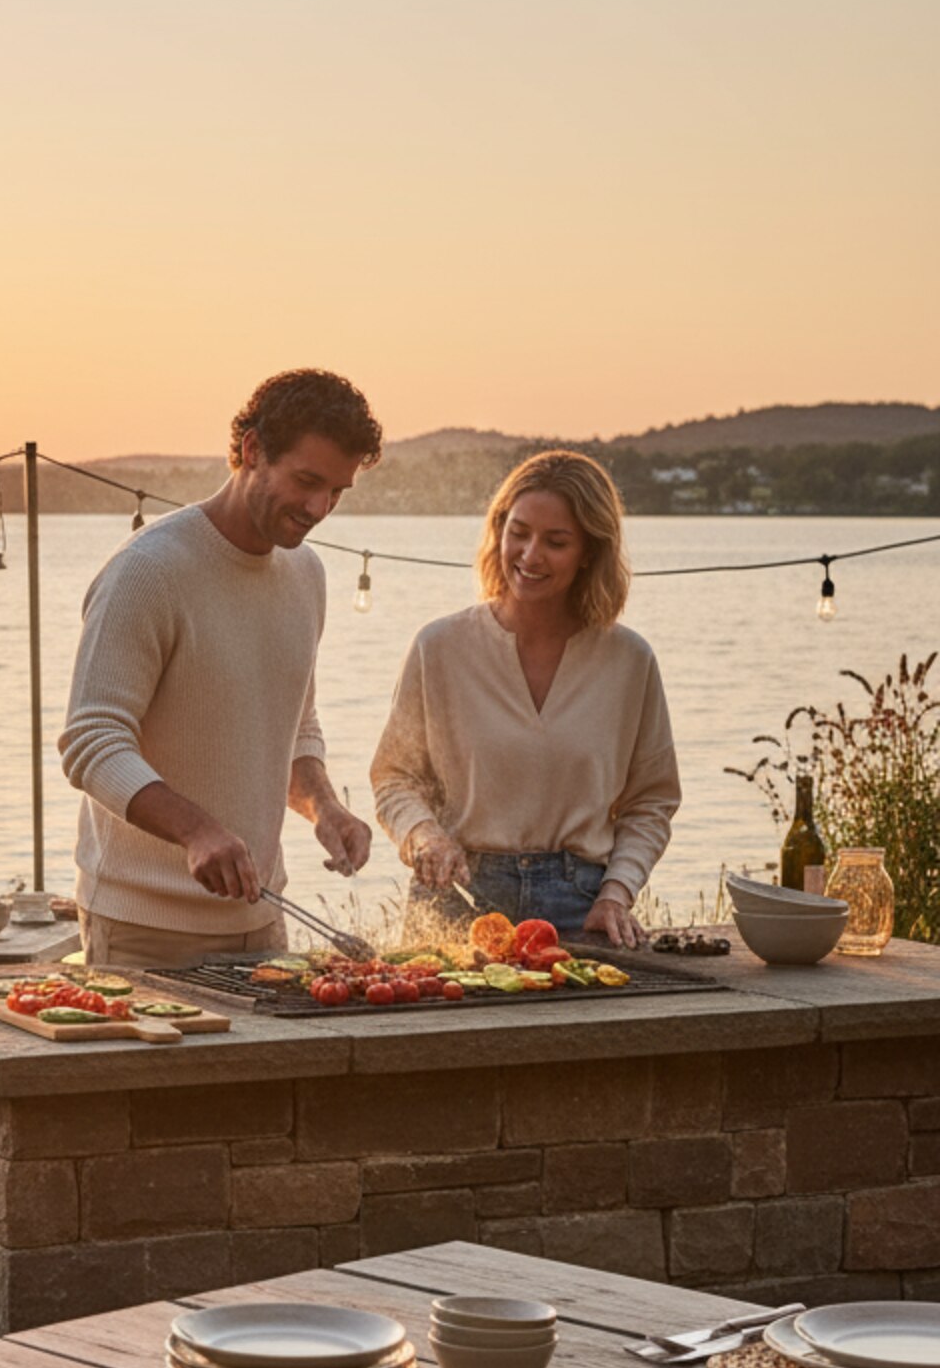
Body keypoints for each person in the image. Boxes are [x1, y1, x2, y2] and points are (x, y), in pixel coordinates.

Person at [58, 367, 381, 970]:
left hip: (262, 922)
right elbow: (90, 743)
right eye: (307, 481)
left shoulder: (306, 576)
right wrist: (196, 830)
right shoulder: (148, 570)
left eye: (337, 492)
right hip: (141, 928)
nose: (320, 508)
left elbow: (294, 728)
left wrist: (324, 807)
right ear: (252, 450)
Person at [370, 450, 681, 947]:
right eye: (519, 532)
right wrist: (426, 837)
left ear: (589, 552)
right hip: (457, 897)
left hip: (582, 908)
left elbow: (652, 801)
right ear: (498, 532)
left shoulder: (630, 660)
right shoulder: (439, 647)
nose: (530, 556)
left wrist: (617, 893)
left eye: (556, 542)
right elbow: (394, 779)